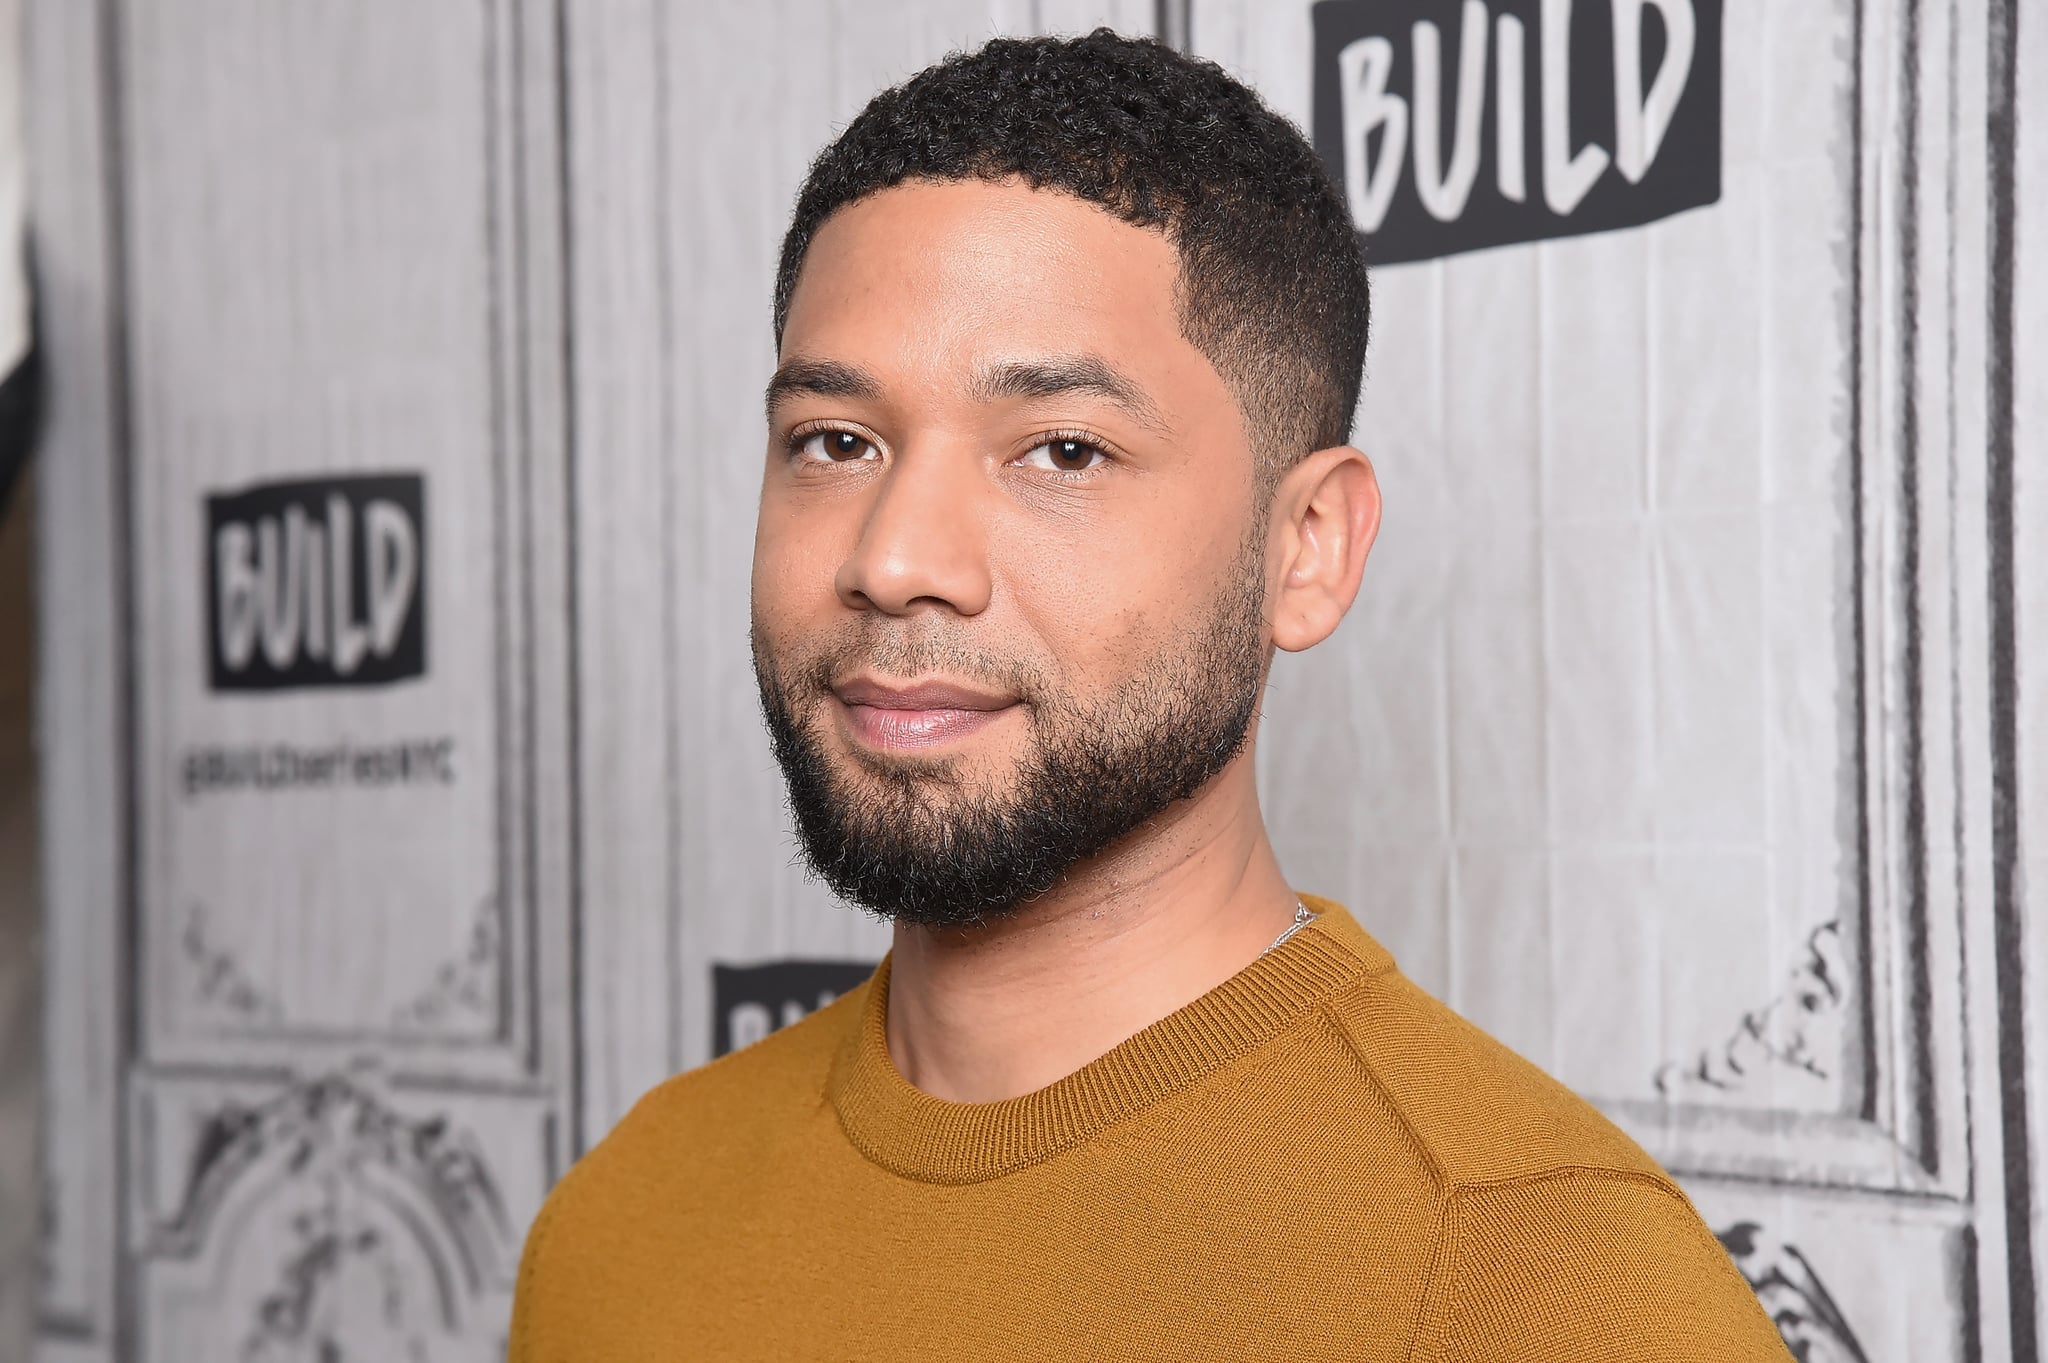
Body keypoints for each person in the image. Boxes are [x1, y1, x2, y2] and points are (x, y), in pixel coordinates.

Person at [509, 29, 1790, 1362]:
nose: (893, 560)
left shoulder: (1539, 1284)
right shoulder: (627, 1213)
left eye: (1062, 450)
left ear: (1308, 549)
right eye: (837, 442)